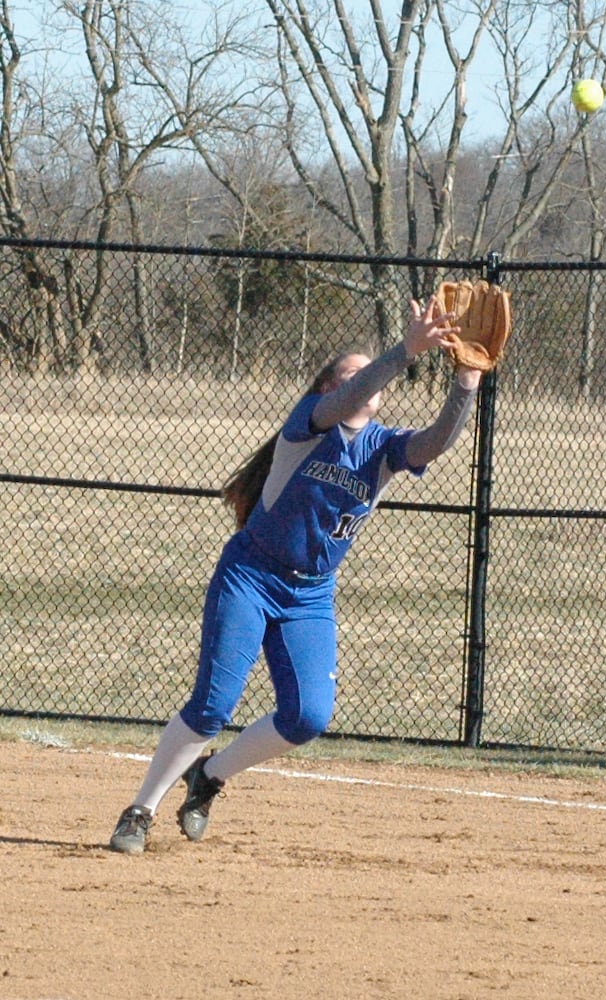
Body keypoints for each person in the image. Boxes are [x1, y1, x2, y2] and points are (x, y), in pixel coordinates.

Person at [108, 293, 478, 854]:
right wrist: (405, 350)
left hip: (310, 594)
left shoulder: (383, 448)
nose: (366, 382)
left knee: (307, 715)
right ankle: (140, 810)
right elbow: (352, 392)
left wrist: (467, 384)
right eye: (354, 373)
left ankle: (208, 777)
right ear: (327, 387)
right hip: (251, 575)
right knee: (212, 705)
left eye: (372, 375)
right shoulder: (308, 425)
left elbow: (436, 441)